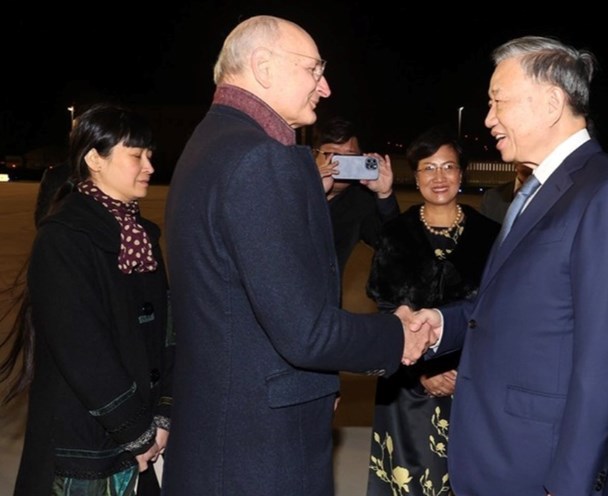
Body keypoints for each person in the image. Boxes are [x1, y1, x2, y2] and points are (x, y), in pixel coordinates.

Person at [160, 15, 436, 496]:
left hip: (221, 432)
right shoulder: (260, 159)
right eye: (314, 69)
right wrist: (398, 336)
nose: (325, 87)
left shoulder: (209, 143)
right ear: (263, 66)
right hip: (260, 451)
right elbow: (305, 332)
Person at [406, 35, 608, 495]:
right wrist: (441, 324)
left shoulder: (605, 193)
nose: (488, 118)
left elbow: (605, 361)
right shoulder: (541, 189)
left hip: (544, 462)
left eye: (498, 102)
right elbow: (512, 307)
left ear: (552, 103)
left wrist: (570, 483)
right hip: (504, 451)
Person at [0, 103, 173, 496]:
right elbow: (83, 350)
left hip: (140, 433)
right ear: (95, 159)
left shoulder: (141, 235)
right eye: (136, 155)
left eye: (150, 155)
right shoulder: (63, 239)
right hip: (85, 449)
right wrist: (137, 432)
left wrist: (164, 412)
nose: (149, 166)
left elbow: (167, 330)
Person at [365, 126, 500, 496]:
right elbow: (387, 310)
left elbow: (499, 313)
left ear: (461, 173)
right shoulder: (395, 233)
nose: (439, 177)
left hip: (473, 384)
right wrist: (423, 372)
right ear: (416, 175)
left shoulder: (492, 235)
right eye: (428, 168)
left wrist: (460, 370)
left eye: (448, 167)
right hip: (408, 386)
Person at [313, 116, 400, 272]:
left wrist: (385, 194)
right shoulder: (290, 188)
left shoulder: (360, 201)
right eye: (332, 154)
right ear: (314, 155)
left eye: (349, 157)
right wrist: (314, 191)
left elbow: (394, 247)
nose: (339, 164)